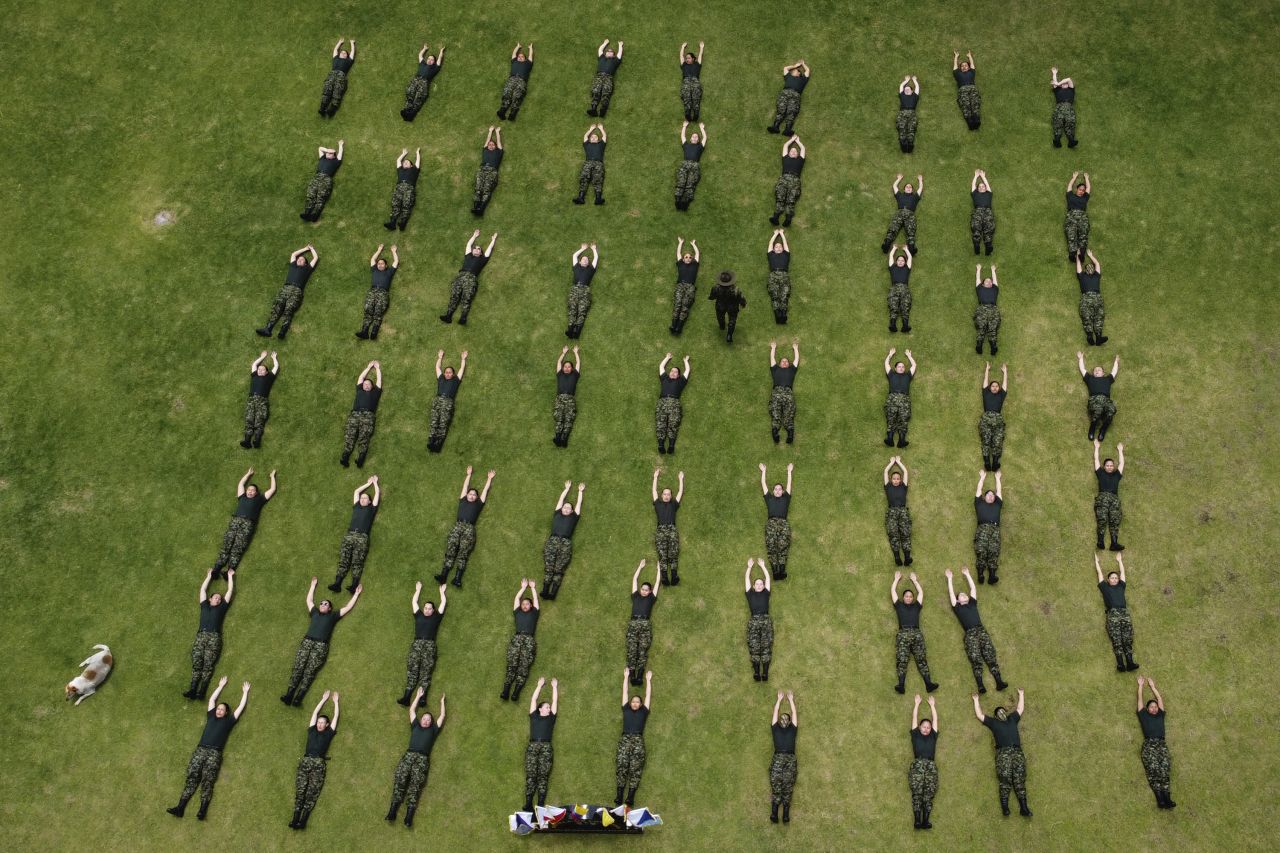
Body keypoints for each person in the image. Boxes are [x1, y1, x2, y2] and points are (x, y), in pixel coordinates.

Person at [167, 677, 250, 820]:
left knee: (207, 780)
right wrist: (220, 686)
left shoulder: (229, 721)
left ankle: (202, 810)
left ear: (226, 713)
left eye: (222, 710)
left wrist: (245, 692)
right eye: (218, 708)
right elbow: (212, 700)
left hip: (214, 753)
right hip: (200, 750)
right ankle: (180, 808)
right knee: (192, 776)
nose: (218, 710)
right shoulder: (211, 717)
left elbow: (240, 708)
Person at [281, 577, 362, 707]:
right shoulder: (314, 613)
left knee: (310, 671)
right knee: (298, 667)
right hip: (307, 642)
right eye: (321, 603)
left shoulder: (333, 616)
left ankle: (298, 698)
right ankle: (289, 694)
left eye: (326, 604)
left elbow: (347, 607)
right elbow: (309, 600)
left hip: (320, 646)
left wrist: (356, 594)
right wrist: (312, 586)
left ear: (329, 608)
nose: (322, 605)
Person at [386, 690, 446, 827]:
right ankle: (392, 811)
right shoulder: (415, 726)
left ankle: (408, 817)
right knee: (400, 779)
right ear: (421, 720)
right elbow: (412, 710)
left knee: (415, 785)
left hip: (422, 759)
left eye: (428, 720)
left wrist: (442, 702)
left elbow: (442, 716)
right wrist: (418, 696)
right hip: (409, 755)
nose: (426, 721)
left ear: (431, 723)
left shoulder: (433, 730)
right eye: (424, 718)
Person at [947, 567, 1008, 691]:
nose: (964, 595)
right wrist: (949, 579)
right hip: (970, 634)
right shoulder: (957, 607)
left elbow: (973, 589)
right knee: (975, 658)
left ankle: (999, 681)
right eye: (961, 595)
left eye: (965, 594)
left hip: (981, 630)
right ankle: (980, 685)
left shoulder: (972, 604)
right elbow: (951, 594)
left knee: (990, 654)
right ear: (958, 600)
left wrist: (967, 574)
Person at [972, 689, 1031, 817]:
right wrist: (976, 700)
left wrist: (1021, 694)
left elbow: (1020, 709)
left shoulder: (1012, 719)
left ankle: (1024, 807)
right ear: (996, 716)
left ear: (1006, 712)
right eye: (998, 712)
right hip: (1003, 753)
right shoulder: (993, 723)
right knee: (1005, 779)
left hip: (1017, 751)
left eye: (1003, 711)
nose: (1001, 713)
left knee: (1019, 778)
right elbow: (980, 715)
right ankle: (1005, 808)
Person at [434, 466, 496, 587]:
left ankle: (457, 579)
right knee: (451, 548)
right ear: (467, 495)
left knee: (463, 552)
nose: (472, 495)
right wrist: (468, 475)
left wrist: (489, 479)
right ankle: (444, 575)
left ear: (477, 498)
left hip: (469, 528)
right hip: (458, 526)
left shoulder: (479, 504)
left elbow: (485, 491)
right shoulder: (463, 500)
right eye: (470, 494)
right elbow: (464, 487)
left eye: (474, 495)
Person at [211, 468, 277, 577]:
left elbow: (272, 489)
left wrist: (272, 477)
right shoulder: (242, 497)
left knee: (238, 546)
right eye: (249, 489)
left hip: (248, 523)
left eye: (252, 490)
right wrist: (248, 474)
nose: (250, 491)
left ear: (256, 493)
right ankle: (217, 568)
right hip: (235, 521)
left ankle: (229, 572)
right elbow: (241, 484)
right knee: (227, 543)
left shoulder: (260, 499)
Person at [289, 690, 339, 830]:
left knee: (312, 792)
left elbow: (335, 717)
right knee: (300, 790)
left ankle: (303, 820)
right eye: (319, 722)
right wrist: (323, 700)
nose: (319, 724)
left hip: (318, 763)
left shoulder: (329, 733)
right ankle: (295, 818)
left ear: (327, 725)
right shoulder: (311, 730)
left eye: (323, 723)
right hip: (305, 761)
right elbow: (314, 714)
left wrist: (335, 702)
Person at [185, 569, 235, 699]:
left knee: (208, 665)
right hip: (201, 636)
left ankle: (201, 692)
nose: (218, 599)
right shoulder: (204, 606)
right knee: (197, 662)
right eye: (216, 597)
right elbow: (202, 590)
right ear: (210, 599)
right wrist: (208, 576)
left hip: (214, 637)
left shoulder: (222, 607)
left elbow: (229, 591)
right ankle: (192, 689)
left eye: (219, 598)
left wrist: (230, 577)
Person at [399, 581, 448, 705]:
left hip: (430, 645)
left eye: (429, 609)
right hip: (417, 644)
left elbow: (443, 603)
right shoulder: (418, 615)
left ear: (433, 610)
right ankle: (406, 697)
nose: (426, 610)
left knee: (426, 672)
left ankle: (422, 698)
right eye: (425, 608)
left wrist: (442, 593)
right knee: (412, 669)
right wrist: (418, 590)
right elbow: (414, 602)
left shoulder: (436, 617)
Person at [328, 475, 380, 592]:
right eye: (362, 498)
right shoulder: (356, 506)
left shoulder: (372, 509)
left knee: (357, 560)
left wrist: (375, 483)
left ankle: (354, 585)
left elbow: (377, 494)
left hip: (362, 537)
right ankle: (337, 583)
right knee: (343, 558)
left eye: (365, 498)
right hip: (349, 535)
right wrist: (368, 484)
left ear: (370, 501)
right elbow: (357, 491)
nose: (362, 499)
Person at [256, 245, 318, 339]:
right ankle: (268, 329)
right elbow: (294, 254)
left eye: (302, 260)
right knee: (277, 306)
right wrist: (305, 249)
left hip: (296, 290)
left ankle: (282, 331)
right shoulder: (293, 265)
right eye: (299, 259)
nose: (299, 260)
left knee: (289, 309)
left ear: (305, 264)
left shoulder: (307, 269)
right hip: (286, 288)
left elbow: (315, 258)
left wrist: (312, 249)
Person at [892, 572, 939, 694]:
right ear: (903, 598)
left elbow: (921, 593)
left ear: (913, 598)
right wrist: (896, 579)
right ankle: (901, 685)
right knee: (902, 659)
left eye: (910, 596)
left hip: (916, 633)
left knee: (921, 658)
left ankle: (928, 684)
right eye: (906, 596)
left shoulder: (916, 606)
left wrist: (915, 581)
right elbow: (893, 592)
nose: (908, 597)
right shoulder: (899, 606)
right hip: (903, 633)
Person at [439, 230, 497, 325]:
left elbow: (489, 250)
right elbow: (468, 245)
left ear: (481, 253)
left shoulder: (482, 259)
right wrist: (474, 236)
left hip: (471, 278)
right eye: (475, 248)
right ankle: (448, 316)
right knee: (454, 295)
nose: (476, 249)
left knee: (467, 298)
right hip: (460, 276)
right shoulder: (468, 256)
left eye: (479, 249)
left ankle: (463, 318)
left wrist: (493, 240)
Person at [615, 668, 654, 808]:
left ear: (641, 704)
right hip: (625, 740)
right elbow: (625, 692)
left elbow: (648, 695)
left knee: (636, 769)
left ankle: (630, 796)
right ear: (630, 704)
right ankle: (619, 794)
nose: (635, 703)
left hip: (638, 740)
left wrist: (648, 681)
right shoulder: (626, 709)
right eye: (633, 701)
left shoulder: (644, 711)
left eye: (638, 701)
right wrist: (626, 677)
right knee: (621, 765)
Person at [1136, 677, 1176, 808]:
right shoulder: (1143, 715)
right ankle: (1160, 799)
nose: (1154, 708)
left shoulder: (1160, 715)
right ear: (1147, 709)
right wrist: (1141, 686)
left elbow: (1160, 700)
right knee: (1153, 770)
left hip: (1161, 745)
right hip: (1149, 745)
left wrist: (1153, 687)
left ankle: (1167, 798)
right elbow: (1140, 702)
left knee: (1164, 769)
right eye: (1151, 707)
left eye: (1155, 707)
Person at [541, 481, 585, 599]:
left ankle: (553, 592)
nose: (566, 509)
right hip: (553, 540)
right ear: (561, 509)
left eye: (569, 508)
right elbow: (561, 500)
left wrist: (580, 492)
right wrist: (566, 489)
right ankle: (545, 589)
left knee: (559, 568)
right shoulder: (557, 514)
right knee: (549, 565)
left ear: (571, 511)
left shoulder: (574, 517)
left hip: (566, 542)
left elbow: (579, 504)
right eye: (565, 507)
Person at [1096, 554, 1140, 672]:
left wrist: (1120, 561)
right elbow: (1100, 575)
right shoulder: (1104, 587)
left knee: (1127, 637)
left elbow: (1123, 573)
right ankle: (1120, 664)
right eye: (1112, 578)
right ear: (1108, 580)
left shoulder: (1121, 586)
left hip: (1124, 613)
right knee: (1116, 639)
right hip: (1113, 614)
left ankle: (1130, 663)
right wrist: (1097, 563)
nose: (1115, 579)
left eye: (1116, 577)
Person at [501, 580, 541, 700]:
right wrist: (523, 588)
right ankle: (506, 690)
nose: (524, 605)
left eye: (527, 604)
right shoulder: (517, 612)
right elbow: (516, 599)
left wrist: (533, 588)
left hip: (529, 640)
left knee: (524, 666)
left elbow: (536, 600)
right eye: (523, 604)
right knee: (511, 664)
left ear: (531, 606)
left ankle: (516, 692)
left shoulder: (534, 613)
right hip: (517, 639)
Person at [523, 677, 560, 812]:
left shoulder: (551, 718)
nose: (549, 708)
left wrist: (554, 687)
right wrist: (539, 685)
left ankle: (540, 804)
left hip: (546, 747)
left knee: (543, 776)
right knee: (531, 775)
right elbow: (533, 700)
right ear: (540, 709)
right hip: (532, 747)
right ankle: (528, 804)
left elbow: (555, 701)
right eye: (547, 707)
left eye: (549, 707)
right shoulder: (534, 716)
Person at [340, 361, 382, 468]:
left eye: (368, 384)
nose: (366, 385)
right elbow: (361, 378)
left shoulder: (375, 392)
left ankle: (361, 458)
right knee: (350, 434)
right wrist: (368, 367)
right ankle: (345, 456)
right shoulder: (359, 390)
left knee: (364, 436)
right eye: (364, 384)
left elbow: (379, 381)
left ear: (372, 386)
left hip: (368, 415)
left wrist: (377, 369)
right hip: (355, 414)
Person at [908, 694, 939, 829]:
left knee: (929, 792)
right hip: (917, 765)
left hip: (931, 766)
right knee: (917, 793)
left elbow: (935, 719)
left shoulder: (933, 735)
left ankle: (926, 820)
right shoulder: (915, 735)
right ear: (919, 728)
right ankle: (917, 821)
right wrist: (917, 704)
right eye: (924, 726)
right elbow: (914, 718)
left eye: (928, 727)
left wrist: (933, 706)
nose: (926, 728)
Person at [427, 350, 467, 453]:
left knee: (443, 423)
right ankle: (431, 440)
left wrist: (463, 359)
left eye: (450, 372)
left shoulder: (456, 380)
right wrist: (440, 357)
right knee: (434, 421)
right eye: (446, 372)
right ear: (444, 374)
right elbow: (437, 368)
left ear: (453, 374)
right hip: (437, 400)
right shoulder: (441, 378)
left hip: (448, 401)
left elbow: (462, 369)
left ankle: (438, 444)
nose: (448, 374)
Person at [626, 560, 660, 680]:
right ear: (640, 589)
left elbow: (657, 583)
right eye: (643, 589)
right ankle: (631, 674)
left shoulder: (651, 598)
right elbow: (634, 580)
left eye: (646, 590)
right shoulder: (635, 596)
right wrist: (640, 567)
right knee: (632, 647)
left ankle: (640, 675)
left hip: (645, 623)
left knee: (643, 648)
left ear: (650, 591)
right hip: (633, 622)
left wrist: (659, 570)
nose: (644, 591)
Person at [356, 244, 398, 340]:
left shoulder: (389, 272)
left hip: (383, 292)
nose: (379, 264)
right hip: (373, 291)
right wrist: (379, 250)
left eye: (382, 263)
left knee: (378, 311)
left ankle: (374, 331)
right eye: (379, 263)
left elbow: (396, 261)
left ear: (386, 265)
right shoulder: (374, 270)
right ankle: (365, 331)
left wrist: (393, 252)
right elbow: (372, 260)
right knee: (367, 309)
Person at [768, 691, 798, 823]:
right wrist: (790, 700)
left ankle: (780, 814)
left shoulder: (776, 729)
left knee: (779, 785)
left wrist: (780, 700)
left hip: (780, 758)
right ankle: (781, 814)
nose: (784, 719)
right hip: (789, 758)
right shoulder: (791, 729)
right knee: (785, 785)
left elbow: (776, 713)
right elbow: (794, 714)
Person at [760, 463, 794, 578]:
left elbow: (789, 485)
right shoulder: (769, 498)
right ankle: (775, 571)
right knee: (771, 545)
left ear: (783, 491)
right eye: (776, 489)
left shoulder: (786, 498)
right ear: (773, 491)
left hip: (783, 523)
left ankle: (782, 570)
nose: (778, 491)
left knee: (783, 545)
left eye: (780, 489)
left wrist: (789, 472)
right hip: (771, 523)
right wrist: (763, 471)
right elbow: (763, 484)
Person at [240, 350, 279, 448]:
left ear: (266, 372)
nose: (260, 370)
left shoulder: (269, 377)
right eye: (259, 369)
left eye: (262, 370)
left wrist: (274, 358)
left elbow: (276, 367)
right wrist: (262, 357)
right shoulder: (254, 376)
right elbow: (254, 365)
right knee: (249, 418)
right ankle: (247, 440)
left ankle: (257, 440)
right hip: (251, 399)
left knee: (259, 420)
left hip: (262, 400)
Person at [652, 468, 684, 583]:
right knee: (662, 554)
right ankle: (664, 577)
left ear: (671, 496)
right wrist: (655, 477)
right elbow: (654, 491)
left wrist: (681, 479)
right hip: (660, 530)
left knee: (673, 553)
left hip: (672, 529)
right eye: (664, 494)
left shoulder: (674, 504)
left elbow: (680, 492)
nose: (666, 496)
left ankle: (674, 576)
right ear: (662, 496)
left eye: (668, 494)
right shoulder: (657, 504)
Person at [1078, 351, 1119, 440]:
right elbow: (1082, 369)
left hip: (1106, 400)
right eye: (1095, 370)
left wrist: (1116, 362)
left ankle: (1103, 429)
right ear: (1093, 373)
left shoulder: (1107, 379)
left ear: (1103, 373)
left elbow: (1114, 371)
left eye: (1099, 370)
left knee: (1112, 410)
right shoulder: (1090, 379)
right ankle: (1092, 428)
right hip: (1094, 400)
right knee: (1098, 409)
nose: (1097, 371)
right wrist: (1080, 358)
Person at [1093, 439, 1126, 551]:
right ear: (1104, 466)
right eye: (1107, 465)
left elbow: (1122, 463)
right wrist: (1097, 447)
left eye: (1111, 465)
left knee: (1115, 520)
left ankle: (1114, 543)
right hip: (1102, 498)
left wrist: (1120, 450)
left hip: (1114, 500)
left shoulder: (1117, 475)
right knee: (1102, 519)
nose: (1110, 467)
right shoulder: (1100, 473)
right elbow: (1096, 459)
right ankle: (1100, 541)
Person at [745, 558, 774, 681]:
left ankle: (765, 673)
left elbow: (767, 579)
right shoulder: (750, 593)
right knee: (754, 646)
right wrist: (749, 567)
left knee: (766, 645)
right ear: (753, 586)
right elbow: (746, 579)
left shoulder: (766, 593)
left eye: (761, 584)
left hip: (766, 620)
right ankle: (757, 672)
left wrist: (763, 566)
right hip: (754, 621)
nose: (759, 585)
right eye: (757, 584)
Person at [655, 355, 691, 454]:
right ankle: (661, 445)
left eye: (675, 372)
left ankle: (671, 445)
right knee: (660, 423)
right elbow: (661, 367)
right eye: (672, 371)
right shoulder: (664, 379)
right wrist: (667, 357)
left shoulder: (681, 382)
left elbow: (687, 370)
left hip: (674, 403)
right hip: (662, 402)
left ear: (678, 375)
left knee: (673, 424)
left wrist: (685, 361)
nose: (673, 372)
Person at [300, 139, 343, 222]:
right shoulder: (322, 158)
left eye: (330, 153)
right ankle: (306, 213)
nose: (327, 154)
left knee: (321, 197)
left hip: (326, 178)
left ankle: (315, 216)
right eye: (327, 152)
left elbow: (340, 153)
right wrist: (328, 150)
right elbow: (320, 148)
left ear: (334, 156)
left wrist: (340, 145)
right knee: (311, 195)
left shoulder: (336, 161)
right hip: (317, 177)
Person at [880, 173, 924, 254]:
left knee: (911, 231)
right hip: (899, 213)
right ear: (904, 189)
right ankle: (887, 244)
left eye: (910, 187)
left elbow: (920, 188)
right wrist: (899, 179)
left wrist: (920, 180)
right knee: (893, 228)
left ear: (912, 190)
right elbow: (894, 186)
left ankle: (911, 247)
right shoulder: (900, 195)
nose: (908, 188)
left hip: (910, 214)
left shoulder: (915, 196)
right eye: (907, 187)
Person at [973, 471, 1004, 583]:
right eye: (989, 495)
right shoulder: (979, 503)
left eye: (992, 495)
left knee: (994, 550)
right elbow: (978, 490)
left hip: (995, 529)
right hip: (983, 528)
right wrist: (982, 478)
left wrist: (997, 478)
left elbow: (999, 491)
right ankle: (980, 574)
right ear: (984, 497)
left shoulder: (997, 504)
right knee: (981, 549)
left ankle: (992, 575)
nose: (991, 496)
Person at [883, 348, 917, 448]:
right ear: (896, 368)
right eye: (899, 366)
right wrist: (890, 355)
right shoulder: (891, 374)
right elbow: (886, 364)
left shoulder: (908, 376)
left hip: (904, 399)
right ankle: (890, 439)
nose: (901, 368)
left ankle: (901, 440)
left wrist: (910, 356)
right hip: (892, 397)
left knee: (904, 418)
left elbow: (914, 366)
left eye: (903, 367)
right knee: (891, 417)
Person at [401, 43, 444, 121]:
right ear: (427, 60)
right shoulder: (422, 64)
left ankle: (411, 114)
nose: (430, 60)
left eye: (432, 60)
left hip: (424, 83)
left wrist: (441, 51)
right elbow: (420, 56)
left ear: (434, 62)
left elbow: (439, 59)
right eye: (429, 58)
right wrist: (424, 49)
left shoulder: (435, 68)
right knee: (409, 92)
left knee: (418, 98)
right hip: (416, 80)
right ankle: (406, 110)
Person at [770, 135, 806, 226]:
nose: (793, 152)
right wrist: (792, 140)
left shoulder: (800, 160)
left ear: (797, 154)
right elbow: (785, 146)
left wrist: (798, 142)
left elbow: (803, 149)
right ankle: (776, 217)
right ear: (789, 154)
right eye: (792, 151)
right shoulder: (785, 158)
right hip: (784, 179)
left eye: (795, 151)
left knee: (791, 200)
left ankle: (788, 219)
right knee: (780, 197)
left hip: (795, 180)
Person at [767, 60, 810, 136]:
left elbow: (807, 70)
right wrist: (795, 66)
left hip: (795, 95)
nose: (793, 71)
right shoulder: (788, 76)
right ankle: (775, 127)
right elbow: (785, 68)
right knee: (781, 109)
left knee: (792, 111)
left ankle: (787, 129)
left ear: (799, 73)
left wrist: (803, 64)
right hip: (785, 93)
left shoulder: (803, 79)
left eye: (795, 71)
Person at [883, 456, 913, 566]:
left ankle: (907, 556)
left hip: (903, 511)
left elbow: (905, 472)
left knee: (905, 533)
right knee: (893, 533)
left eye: (897, 479)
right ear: (891, 480)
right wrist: (891, 462)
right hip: (891, 512)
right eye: (894, 478)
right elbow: (886, 472)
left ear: (900, 480)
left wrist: (899, 462)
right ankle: (897, 557)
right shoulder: (888, 486)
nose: (896, 480)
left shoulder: (903, 487)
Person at [768, 341, 799, 443]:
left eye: (786, 362)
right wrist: (773, 348)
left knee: (789, 413)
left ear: (788, 364)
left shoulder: (791, 370)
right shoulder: (775, 369)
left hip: (788, 392)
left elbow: (796, 360)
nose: (785, 362)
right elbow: (772, 359)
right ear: (779, 364)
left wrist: (795, 349)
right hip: (777, 392)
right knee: (775, 413)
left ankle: (790, 434)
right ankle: (775, 432)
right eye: (783, 361)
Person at [979, 363, 1009, 471]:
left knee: (998, 440)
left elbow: (1005, 385)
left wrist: (1005, 372)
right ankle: (987, 461)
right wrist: (987, 370)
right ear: (989, 388)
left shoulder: (1001, 395)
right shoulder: (986, 393)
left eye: (997, 386)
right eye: (993, 386)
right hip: (986, 419)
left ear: (999, 388)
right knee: (986, 440)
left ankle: (995, 461)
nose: (995, 387)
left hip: (998, 420)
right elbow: (985, 382)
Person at [1076, 249, 1108, 346]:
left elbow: (1096, 264)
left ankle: (1097, 337)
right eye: (1088, 267)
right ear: (1086, 270)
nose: (1090, 268)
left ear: (1093, 270)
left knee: (1096, 316)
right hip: (1090, 297)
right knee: (1089, 315)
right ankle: (1090, 336)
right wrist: (1080, 256)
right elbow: (1079, 265)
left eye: (1091, 267)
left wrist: (1089, 256)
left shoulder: (1093, 276)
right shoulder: (1084, 276)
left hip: (1092, 298)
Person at [383, 149, 420, 232]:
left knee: (407, 204)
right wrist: (403, 154)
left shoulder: (414, 170)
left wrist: (417, 153)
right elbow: (398, 160)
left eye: (407, 162)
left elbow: (417, 161)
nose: (405, 162)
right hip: (399, 187)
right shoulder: (400, 170)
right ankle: (392, 223)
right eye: (404, 162)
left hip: (409, 187)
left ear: (411, 165)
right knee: (395, 204)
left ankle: (403, 222)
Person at [566, 243, 598, 339]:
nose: (585, 260)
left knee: (582, 311)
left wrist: (594, 249)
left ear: (588, 263)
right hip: (574, 289)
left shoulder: (591, 269)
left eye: (586, 259)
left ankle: (577, 332)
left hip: (585, 290)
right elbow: (574, 256)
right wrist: (582, 249)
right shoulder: (576, 267)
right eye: (583, 259)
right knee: (572, 309)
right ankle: (570, 329)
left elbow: (596, 258)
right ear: (580, 262)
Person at [674, 121, 707, 211]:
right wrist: (684, 126)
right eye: (693, 136)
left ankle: (686, 201)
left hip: (694, 165)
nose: (695, 137)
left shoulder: (700, 147)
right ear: (691, 139)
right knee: (681, 180)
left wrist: (702, 129)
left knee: (690, 182)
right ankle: (677, 198)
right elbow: (683, 136)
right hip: (685, 164)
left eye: (696, 137)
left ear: (697, 140)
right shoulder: (686, 145)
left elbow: (705, 138)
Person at [669, 237, 700, 334]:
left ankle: (679, 327)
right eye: (686, 257)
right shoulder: (680, 264)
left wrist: (694, 244)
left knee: (685, 306)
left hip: (690, 287)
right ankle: (673, 325)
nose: (688, 258)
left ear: (692, 259)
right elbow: (678, 253)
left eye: (690, 257)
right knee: (677, 304)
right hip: (680, 285)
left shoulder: (694, 265)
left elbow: (697, 254)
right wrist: (680, 243)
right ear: (683, 259)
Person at [318, 39, 355, 117]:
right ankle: (322, 108)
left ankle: (331, 109)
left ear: (346, 56)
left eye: (344, 53)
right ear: (339, 54)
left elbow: (352, 53)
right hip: (332, 74)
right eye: (341, 52)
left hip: (341, 75)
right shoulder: (336, 58)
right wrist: (339, 43)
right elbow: (335, 50)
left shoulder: (348, 61)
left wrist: (352, 43)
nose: (342, 53)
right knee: (327, 90)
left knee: (337, 92)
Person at [472, 127, 504, 216]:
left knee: (486, 189)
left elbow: (499, 143)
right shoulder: (485, 150)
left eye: (492, 145)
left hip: (492, 171)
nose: (490, 145)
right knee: (478, 188)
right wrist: (490, 131)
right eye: (489, 144)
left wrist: (497, 132)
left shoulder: (498, 152)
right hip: (482, 169)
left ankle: (481, 209)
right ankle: (476, 207)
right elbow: (487, 141)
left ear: (495, 146)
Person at [573, 124, 608, 205]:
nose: (593, 138)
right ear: (590, 139)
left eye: (595, 137)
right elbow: (585, 137)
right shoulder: (587, 144)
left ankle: (598, 199)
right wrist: (590, 129)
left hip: (598, 163)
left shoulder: (601, 144)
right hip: (588, 162)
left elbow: (604, 137)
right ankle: (580, 198)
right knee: (583, 177)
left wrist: (601, 128)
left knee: (598, 179)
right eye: (592, 137)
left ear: (598, 139)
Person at [553, 346, 581, 446]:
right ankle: (557, 436)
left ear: (572, 369)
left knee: (569, 418)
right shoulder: (559, 374)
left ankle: (564, 438)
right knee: (558, 417)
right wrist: (563, 353)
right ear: (563, 368)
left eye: (569, 367)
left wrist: (576, 353)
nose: (567, 368)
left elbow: (578, 364)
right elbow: (558, 363)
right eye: (565, 366)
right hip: (559, 398)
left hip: (570, 399)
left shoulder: (575, 375)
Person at [588, 39, 624, 116]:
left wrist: (620, 46)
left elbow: (619, 54)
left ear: (613, 55)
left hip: (609, 77)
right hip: (599, 76)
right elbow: (600, 50)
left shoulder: (615, 60)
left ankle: (603, 109)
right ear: (605, 54)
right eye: (608, 51)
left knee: (606, 91)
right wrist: (605, 43)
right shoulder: (602, 58)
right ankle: (593, 109)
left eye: (611, 52)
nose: (609, 52)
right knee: (595, 90)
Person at [497, 42, 533, 120]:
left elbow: (530, 56)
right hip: (512, 79)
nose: (520, 57)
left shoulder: (528, 63)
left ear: (525, 58)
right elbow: (514, 54)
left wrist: (530, 48)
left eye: (522, 56)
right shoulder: (514, 61)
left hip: (521, 81)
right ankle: (502, 110)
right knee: (507, 93)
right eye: (519, 56)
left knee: (518, 96)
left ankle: (513, 113)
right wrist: (517, 47)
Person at [709, 270, 747, 343]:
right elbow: (741, 298)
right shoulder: (736, 289)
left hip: (720, 306)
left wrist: (712, 297)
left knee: (720, 317)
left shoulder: (716, 288)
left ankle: (722, 326)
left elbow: (712, 297)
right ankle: (729, 335)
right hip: (732, 307)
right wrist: (743, 304)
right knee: (732, 320)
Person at [766, 229, 792, 323]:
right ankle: (777, 314)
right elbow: (770, 243)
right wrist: (775, 234)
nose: (778, 248)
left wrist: (781, 234)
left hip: (784, 275)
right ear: (773, 249)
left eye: (780, 246)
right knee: (774, 295)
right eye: (776, 247)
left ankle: (784, 313)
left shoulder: (786, 254)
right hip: (773, 275)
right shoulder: (771, 255)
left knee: (784, 295)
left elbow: (785, 245)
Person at [974, 263, 1001, 355]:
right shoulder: (979, 288)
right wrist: (978, 269)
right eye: (986, 281)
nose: (989, 282)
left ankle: (993, 346)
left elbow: (995, 280)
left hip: (993, 308)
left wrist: (993, 270)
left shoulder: (995, 289)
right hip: (982, 308)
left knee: (993, 328)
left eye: (990, 281)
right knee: (981, 327)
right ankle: (979, 345)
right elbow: (977, 279)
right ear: (983, 283)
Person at [1064, 171, 1092, 261]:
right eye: (1080, 189)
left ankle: (1082, 254)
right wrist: (1074, 177)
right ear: (1077, 189)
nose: (1082, 191)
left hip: (1082, 216)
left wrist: (1086, 178)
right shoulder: (1070, 196)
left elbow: (1088, 188)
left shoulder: (1085, 198)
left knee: (1083, 234)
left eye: (1083, 190)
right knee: (1071, 234)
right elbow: (1069, 187)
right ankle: (1072, 254)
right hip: (1071, 216)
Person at [886, 244, 913, 333]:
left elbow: (910, 258)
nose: (900, 261)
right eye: (899, 260)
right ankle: (892, 324)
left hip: (905, 289)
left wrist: (906, 250)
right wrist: (894, 248)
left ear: (905, 262)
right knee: (893, 305)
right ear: (896, 262)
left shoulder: (907, 268)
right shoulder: (892, 268)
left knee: (905, 306)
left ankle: (905, 325)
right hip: (894, 288)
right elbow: (890, 256)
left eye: (902, 260)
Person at [1050, 67, 1078, 148]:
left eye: (1065, 83)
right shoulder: (1058, 90)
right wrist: (1054, 73)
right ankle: (1057, 140)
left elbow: (1068, 79)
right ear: (1061, 86)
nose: (1064, 83)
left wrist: (1058, 83)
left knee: (1070, 122)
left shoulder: (1071, 89)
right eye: (1063, 83)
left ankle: (1071, 141)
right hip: (1059, 108)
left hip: (1069, 108)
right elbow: (1055, 83)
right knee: (1057, 122)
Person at [953, 50, 981, 129]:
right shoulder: (957, 73)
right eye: (962, 66)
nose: (964, 66)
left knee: (975, 102)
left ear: (968, 68)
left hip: (972, 88)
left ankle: (976, 119)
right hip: (962, 89)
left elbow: (972, 64)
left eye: (966, 65)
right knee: (965, 104)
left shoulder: (972, 72)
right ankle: (969, 122)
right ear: (960, 68)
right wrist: (956, 57)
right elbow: (955, 66)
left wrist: (969, 56)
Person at [970, 169, 995, 255]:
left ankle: (988, 246)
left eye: (983, 186)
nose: (981, 187)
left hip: (988, 211)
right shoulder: (975, 194)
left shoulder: (989, 193)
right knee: (976, 228)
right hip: (978, 211)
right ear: (977, 189)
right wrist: (976, 176)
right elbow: (973, 185)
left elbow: (987, 185)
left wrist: (983, 177)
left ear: (985, 188)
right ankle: (976, 245)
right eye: (979, 187)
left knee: (989, 228)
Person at [679, 41, 705, 120]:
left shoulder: (697, 64)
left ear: (693, 59)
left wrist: (701, 47)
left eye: (689, 58)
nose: (687, 59)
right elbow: (681, 56)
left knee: (696, 95)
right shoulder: (684, 65)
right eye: (686, 58)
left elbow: (700, 56)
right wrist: (683, 47)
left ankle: (696, 112)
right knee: (686, 95)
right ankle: (687, 112)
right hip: (686, 80)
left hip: (695, 80)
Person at [897, 75, 921, 152]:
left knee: (911, 129)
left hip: (912, 113)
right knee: (901, 129)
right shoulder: (902, 95)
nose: (906, 90)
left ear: (912, 91)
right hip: (902, 113)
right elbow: (901, 86)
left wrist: (914, 80)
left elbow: (917, 87)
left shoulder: (915, 96)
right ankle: (903, 145)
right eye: (905, 90)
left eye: (908, 89)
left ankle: (910, 144)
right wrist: (906, 80)